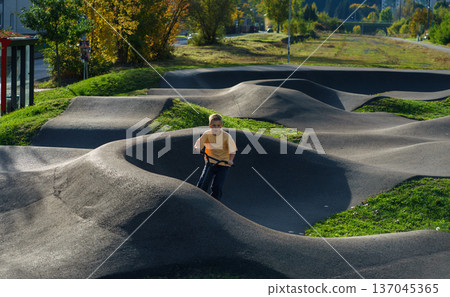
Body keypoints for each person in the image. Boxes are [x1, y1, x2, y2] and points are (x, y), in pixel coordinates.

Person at [194, 114, 237, 201]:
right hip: (210, 163)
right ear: (210, 125)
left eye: (218, 126)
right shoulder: (207, 134)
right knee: (203, 183)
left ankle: (215, 203)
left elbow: (232, 150)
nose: (216, 128)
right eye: (214, 126)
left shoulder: (227, 136)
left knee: (217, 186)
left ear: (221, 126)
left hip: (223, 165)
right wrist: (198, 149)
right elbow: (198, 145)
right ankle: (197, 200)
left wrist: (230, 160)